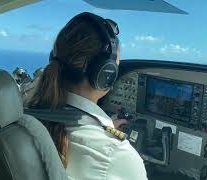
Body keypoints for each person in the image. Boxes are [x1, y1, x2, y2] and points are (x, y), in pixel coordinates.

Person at [28, 12, 147, 180]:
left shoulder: (26, 118)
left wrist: (102, 127)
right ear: (105, 73)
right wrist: (106, 135)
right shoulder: (116, 155)